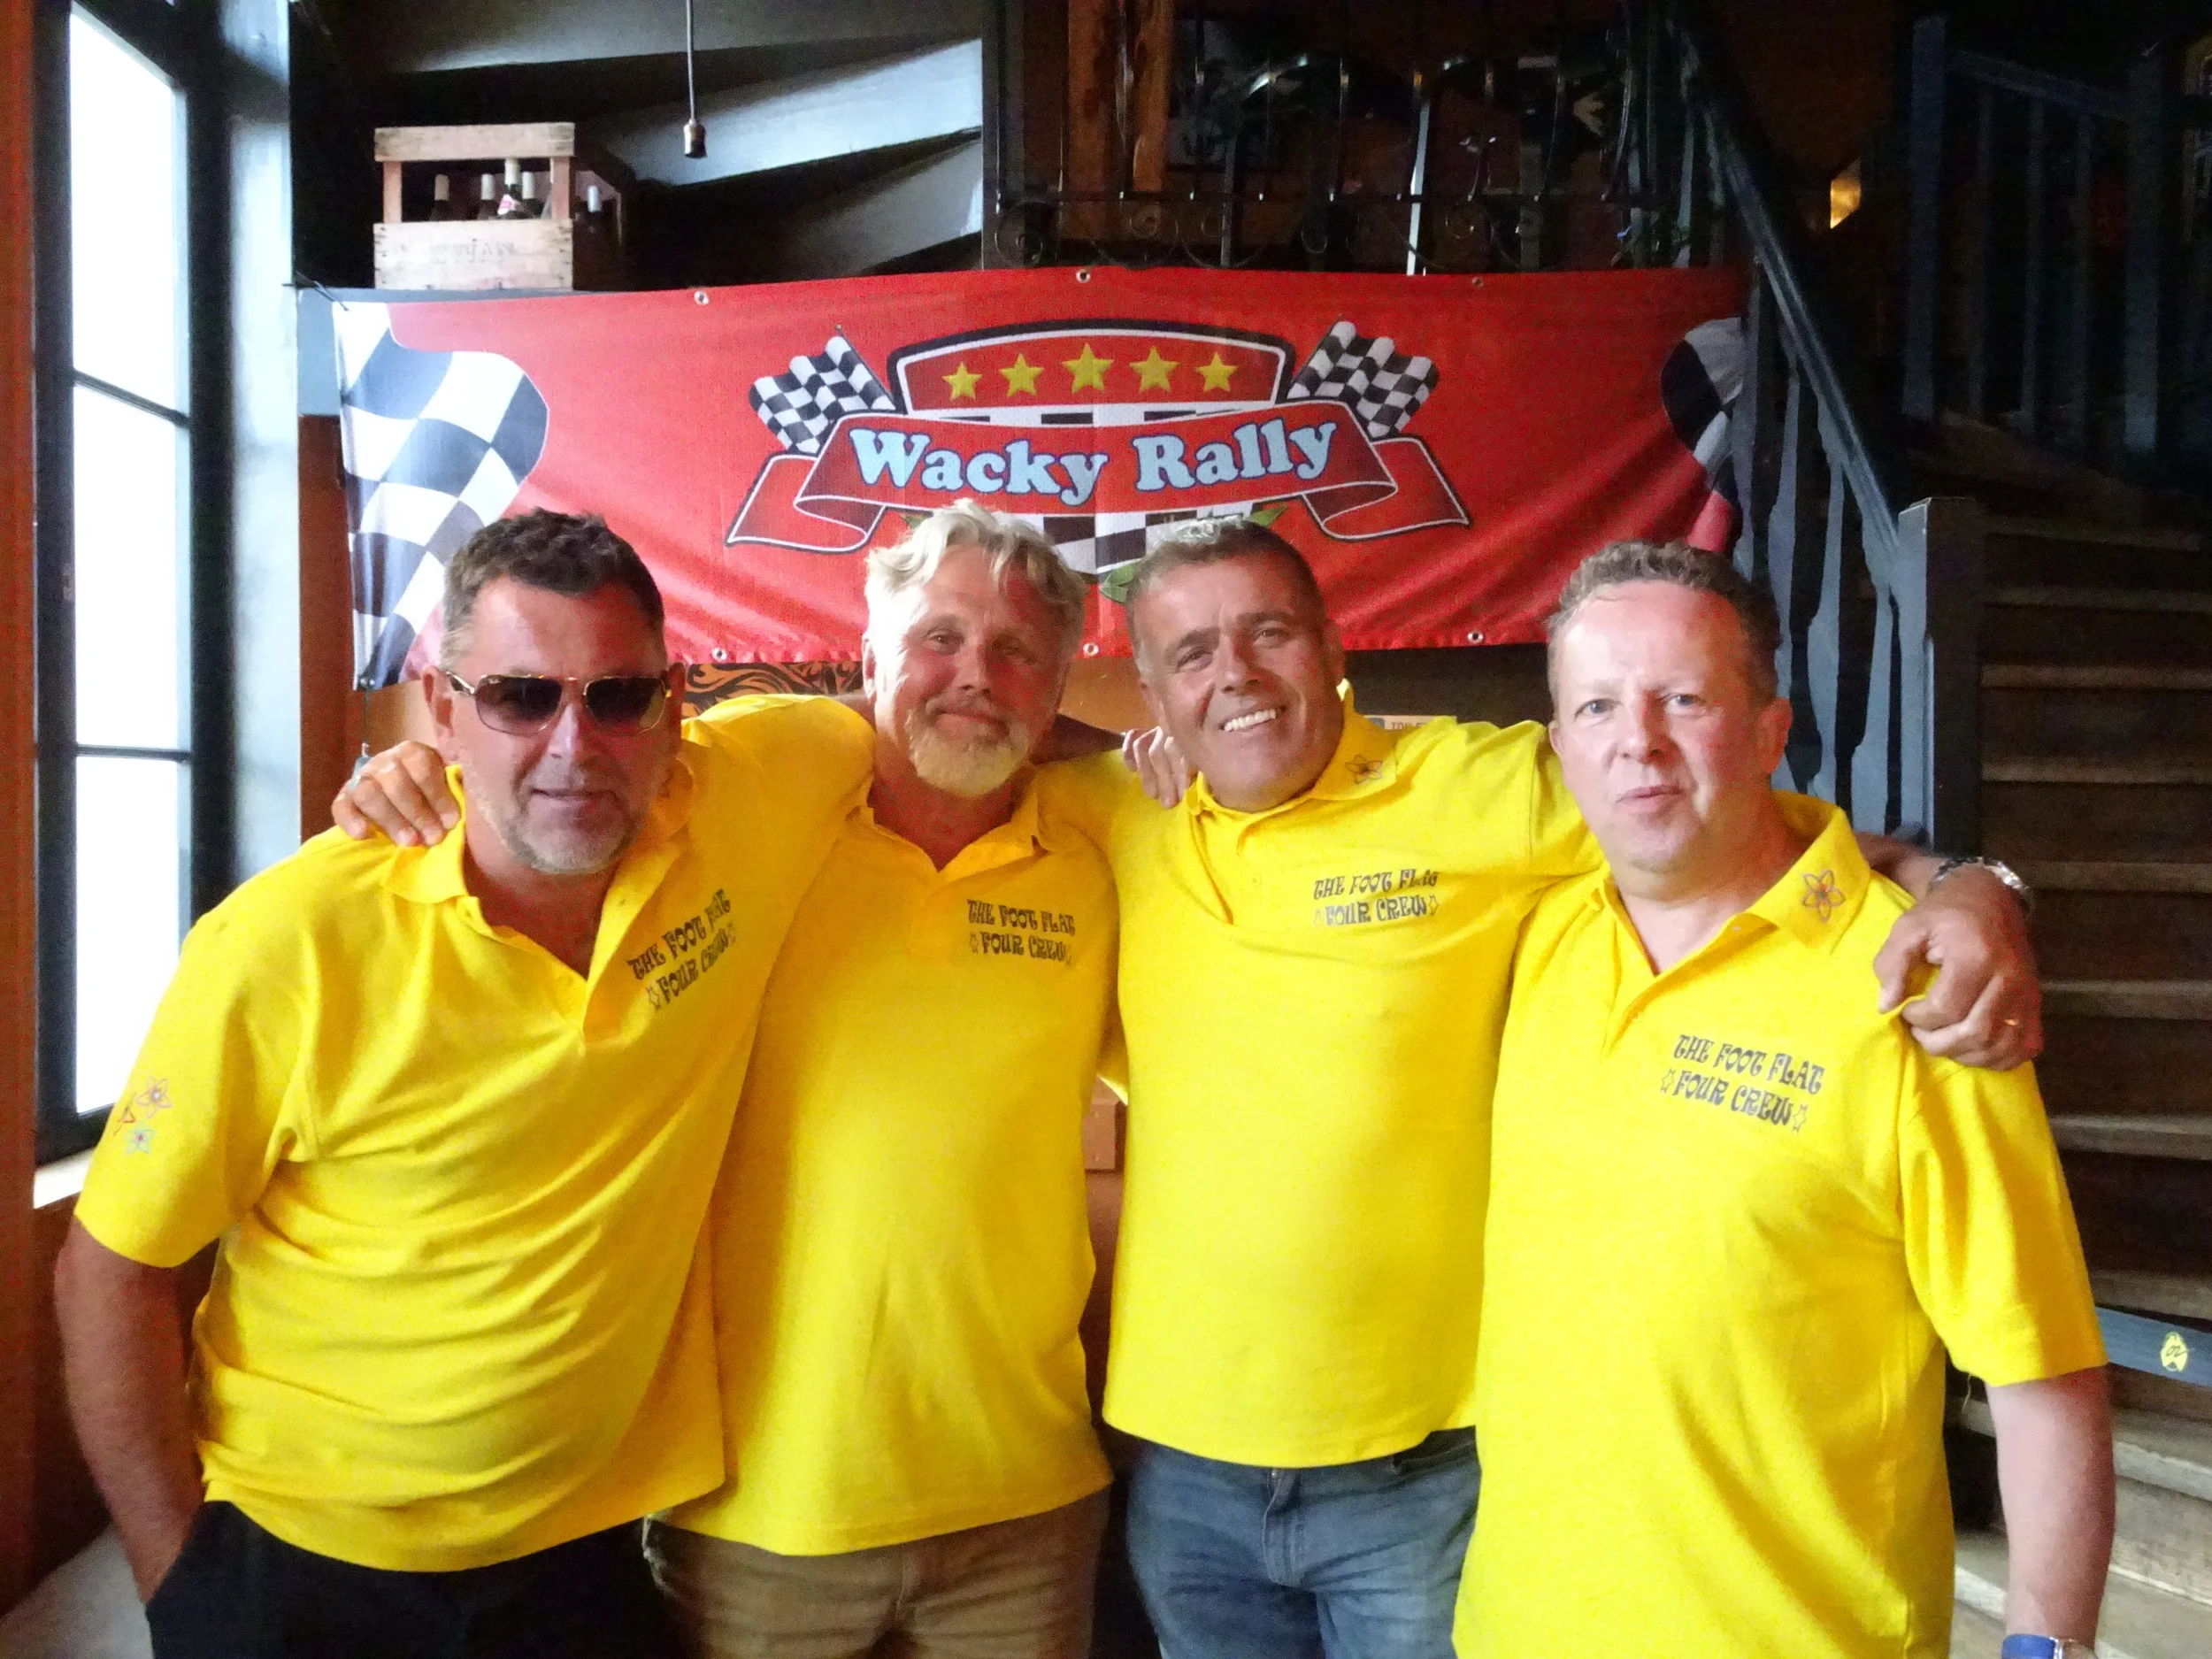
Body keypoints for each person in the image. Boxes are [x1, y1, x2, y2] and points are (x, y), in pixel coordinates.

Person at [1067, 517, 2043, 1659]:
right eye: (1191, 653)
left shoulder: (1478, 785)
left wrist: (1973, 884)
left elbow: (1730, 811)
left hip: (1422, 1471)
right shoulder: (1114, 814)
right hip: (1185, 1474)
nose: (1233, 671)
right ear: (1151, 689)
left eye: (1266, 631)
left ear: (1332, 642)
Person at [54, 511, 871, 1659]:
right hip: (303, 1562)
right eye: (521, 697)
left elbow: (945, 710)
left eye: (618, 696)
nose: (576, 743)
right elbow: (111, 1269)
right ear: (441, 708)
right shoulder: (294, 938)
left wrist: (1178, 756)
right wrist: (177, 1580)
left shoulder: (748, 794)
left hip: (583, 1553)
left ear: (674, 701)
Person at [334, 503, 1121, 1659]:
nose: (974, 675)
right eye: (938, 638)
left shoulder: (1113, 843)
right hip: (747, 1506)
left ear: (1059, 682)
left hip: (1026, 1505)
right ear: (869, 649)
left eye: (1016, 651)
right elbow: (575, 763)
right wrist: (427, 768)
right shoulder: (750, 792)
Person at [1456, 539, 2110, 1659]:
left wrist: (2046, 1648)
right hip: (1516, 1628)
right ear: (1560, 750)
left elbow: (2039, 1372)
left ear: (1770, 729)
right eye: (1600, 707)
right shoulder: (1536, 932)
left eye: (1683, 699)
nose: (1639, 745)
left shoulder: (1915, 996)